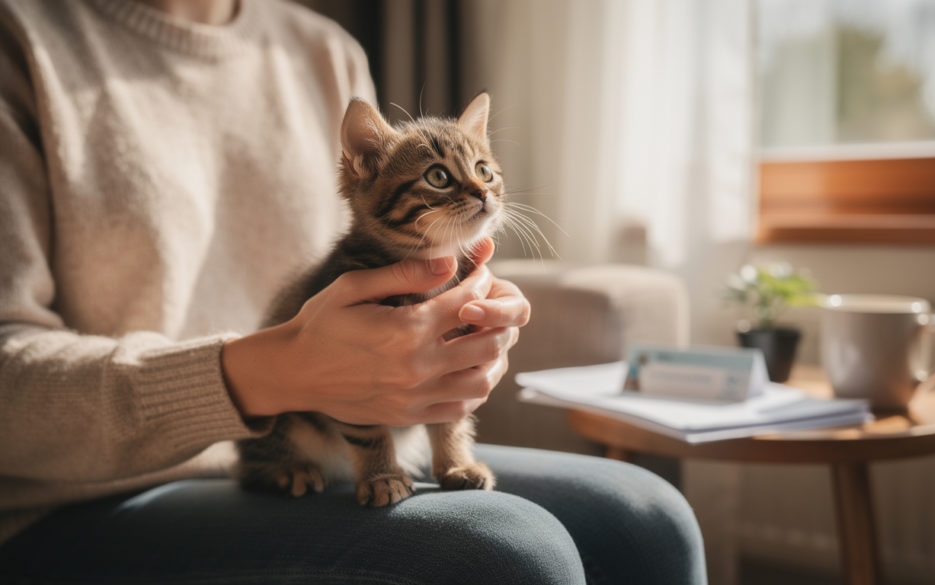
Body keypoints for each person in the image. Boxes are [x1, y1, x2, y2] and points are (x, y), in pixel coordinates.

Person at [0, 1, 707, 583]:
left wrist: (446, 355)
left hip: (340, 454)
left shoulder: (323, 50)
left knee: (648, 517)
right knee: (507, 552)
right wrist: (269, 371)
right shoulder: (22, 38)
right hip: (82, 494)